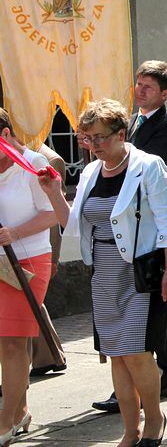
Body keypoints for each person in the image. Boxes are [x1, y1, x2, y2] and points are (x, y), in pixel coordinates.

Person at [38, 99, 167, 447]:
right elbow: (73, 224)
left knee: (136, 353)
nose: (93, 145)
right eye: (88, 138)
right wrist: (54, 192)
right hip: (103, 272)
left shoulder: (149, 166)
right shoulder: (89, 171)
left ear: (121, 134)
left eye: (99, 138)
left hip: (141, 271)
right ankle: (129, 431)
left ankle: (154, 420)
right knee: (117, 354)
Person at [93, 60, 167, 414]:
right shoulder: (131, 122)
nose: (139, 91)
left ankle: (163, 380)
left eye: (148, 87)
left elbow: (149, 173)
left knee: (153, 308)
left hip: (146, 230)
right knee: (158, 310)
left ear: (165, 93)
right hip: (123, 231)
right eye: (138, 84)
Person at [0, 109, 57, 446]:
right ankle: (19, 410)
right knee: (6, 341)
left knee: (12, 340)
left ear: (5, 135)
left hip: (29, 262)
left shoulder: (32, 164)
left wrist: (14, 233)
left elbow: (53, 214)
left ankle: (5, 420)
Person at [29, 143, 67, 377]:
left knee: (29, 301)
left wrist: (54, 256)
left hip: (30, 245)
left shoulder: (43, 157)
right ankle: (49, 356)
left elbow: (54, 215)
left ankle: (48, 356)